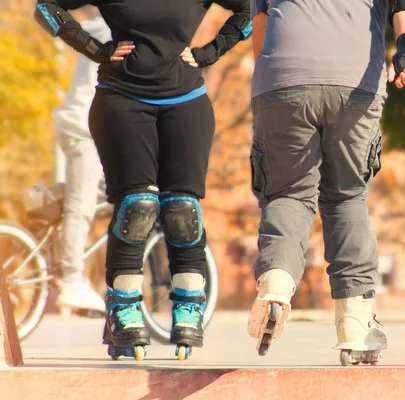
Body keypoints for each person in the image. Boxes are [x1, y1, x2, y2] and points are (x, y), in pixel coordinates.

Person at [35, 0, 251, 360]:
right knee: (138, 207)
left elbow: (249, 9)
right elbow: (46, 8)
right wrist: (96, 50)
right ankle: (123, 309)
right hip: (121, 101)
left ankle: (188, 306)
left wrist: (210, 52)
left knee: (183, 209)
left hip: (187, 102)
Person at [246, 0, 405, 365]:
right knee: (345, 198)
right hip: (355, 80)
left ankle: (276, 285)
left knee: (288, 194)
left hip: (283, 77)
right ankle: (355, 323)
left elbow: (261, 32)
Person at [51, 6, 109, 316]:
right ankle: (72, 279)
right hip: (83, 127)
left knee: (98, 192)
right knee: (82, 204)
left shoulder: (104, 25)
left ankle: (50, 207)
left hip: (85, 124)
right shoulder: (114, 29)